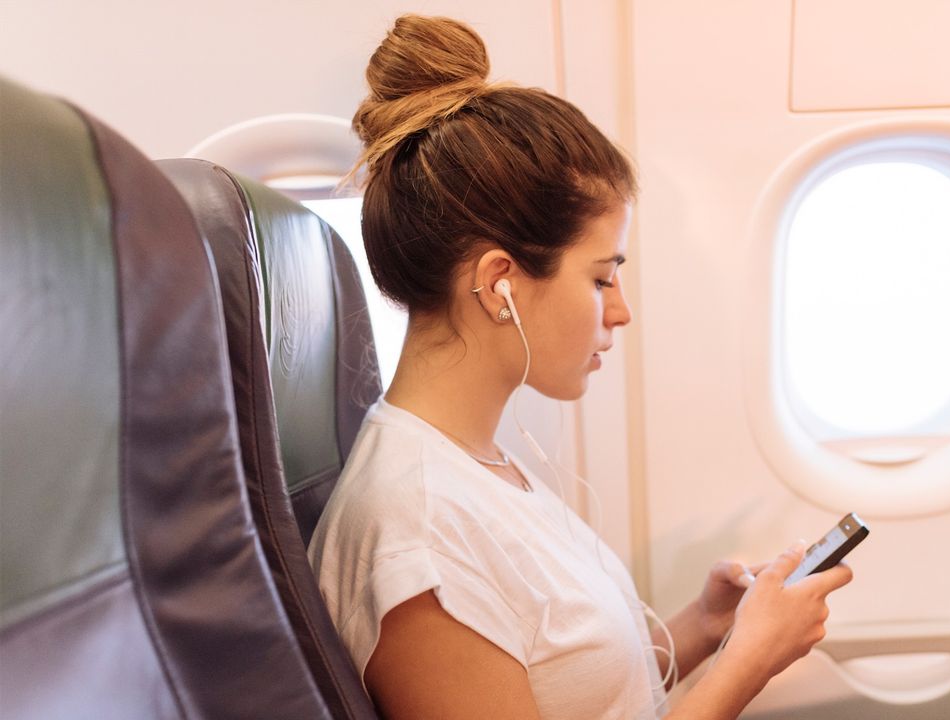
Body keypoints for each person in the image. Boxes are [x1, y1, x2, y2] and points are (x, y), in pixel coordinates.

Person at [307, 14, 853, 719]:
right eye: (601, 279)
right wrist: (747, 665)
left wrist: (708, 625)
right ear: (498, 282)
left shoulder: (477, 466)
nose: (620, 312)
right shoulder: (418, 538)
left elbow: (570, 687)